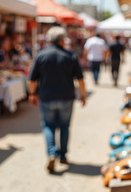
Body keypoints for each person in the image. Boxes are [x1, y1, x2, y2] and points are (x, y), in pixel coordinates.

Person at [28, 27, 87, 173]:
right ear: (62, 40)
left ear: (49, 40)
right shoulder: (70, 56)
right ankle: (63, 155)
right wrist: (83, 95)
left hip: (47, 97)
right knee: (65, 126)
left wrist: (32, 93)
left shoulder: (41, 55)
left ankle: (51, 153)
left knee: (48, 126)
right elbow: (80, 78)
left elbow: (32, 79)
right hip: (66, 97)